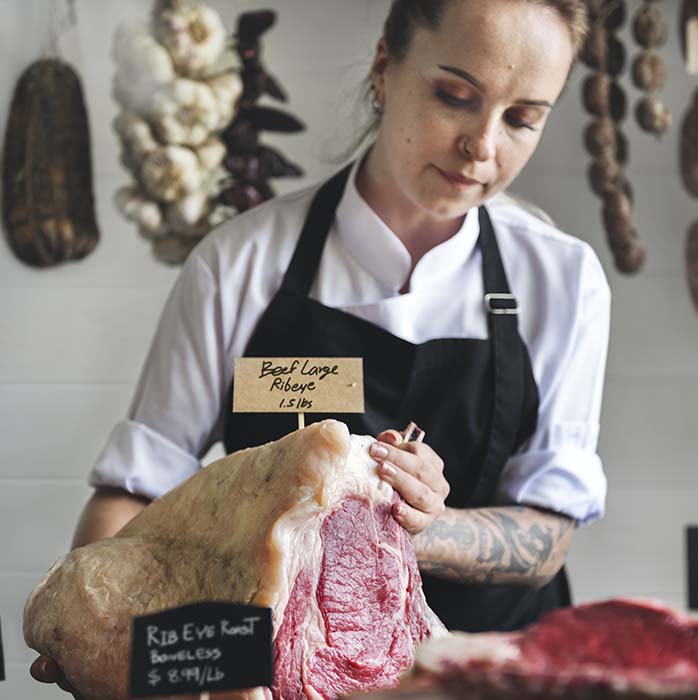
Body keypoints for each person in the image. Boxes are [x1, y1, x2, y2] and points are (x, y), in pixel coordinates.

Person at [32, 0, 610, 693]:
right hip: (279, 673)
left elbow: (548, 531)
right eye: (454, 95)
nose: (483, 146)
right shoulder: (241, 264)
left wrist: (416, 524)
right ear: (384, 68)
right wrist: (106, 640)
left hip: (494, 673)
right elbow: (132, 495)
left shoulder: (562, 278)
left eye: (522, 119)